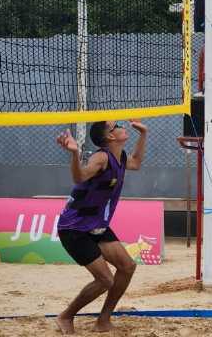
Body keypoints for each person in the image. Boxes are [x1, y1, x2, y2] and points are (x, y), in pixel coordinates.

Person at [54, 120, 148, 334]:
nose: (123, 126)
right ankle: (66, 316)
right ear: (111, 137)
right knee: (105, 279)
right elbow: (79, 177)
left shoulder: (121, 157)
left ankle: (103, 320)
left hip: (96, 225)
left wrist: (144, 134)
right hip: (74, 227)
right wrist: (74, 153)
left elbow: (136, 162)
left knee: (127, 267)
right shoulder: (101, 157)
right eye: (116, 126)